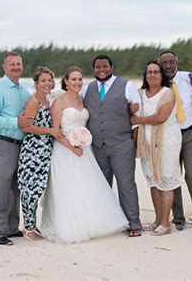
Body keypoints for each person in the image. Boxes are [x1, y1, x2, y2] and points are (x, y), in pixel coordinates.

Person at [40, 66, 129, 243]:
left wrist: (82, 141)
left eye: (80, 79)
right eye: (73, 79)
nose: (77, 82)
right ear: (65, 81)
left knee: (87, 186)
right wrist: (71, 146)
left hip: (84, 150)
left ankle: (92, 222)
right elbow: (55, 131)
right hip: (65, 150)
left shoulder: (83, 100)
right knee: (69, 188)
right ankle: (71, 226)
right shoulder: (59, 102)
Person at [81, 54, 143, 237]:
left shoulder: (127, 86)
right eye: (98, 67)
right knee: (101, 185)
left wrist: (132, 144)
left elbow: (136, 119)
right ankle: (105, 222)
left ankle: (133, 223)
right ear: (93, 69)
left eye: (105, 66)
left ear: (111, 67)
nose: (101, 70)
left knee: (126, 185)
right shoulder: (87, 89)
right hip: (98, 146)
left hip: (122, 144)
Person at [0, 52, 31, 246]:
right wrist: (16, 122)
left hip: (21, 145)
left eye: (18, 64)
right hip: (3, 143)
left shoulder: (23, 91)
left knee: (14, 187)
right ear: (4, 66)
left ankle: (12, 227)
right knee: (1, 188)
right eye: (12, 64)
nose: (16, 67)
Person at [130, 61, 182, 236]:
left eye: (156, 72)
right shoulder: (140, 94)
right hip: (147, 142)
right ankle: (158, 220)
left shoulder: (168, 93)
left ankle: (166, 223)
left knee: (166, 180)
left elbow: (161, 117)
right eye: (149, 72)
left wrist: (138, 120)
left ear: (162, 75)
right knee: (153, 180)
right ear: (145, 75)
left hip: (167, 141)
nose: (152, 75)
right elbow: (132, 114)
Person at [159, 50, 192, 230]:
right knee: (172, 176)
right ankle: (178, 217)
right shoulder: (157, 84)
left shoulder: (190, 78)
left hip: (190, 133)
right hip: (168, 135)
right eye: (164, 63)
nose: (168, 66)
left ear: (177, 62)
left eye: (171, 61)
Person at [17, 66, 61, 241]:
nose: (47, 83)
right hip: (32, 150)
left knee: (38, 187)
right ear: (36, 83)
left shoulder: (47, 101)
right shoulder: (34, 101)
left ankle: (32, 225)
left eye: (49, 80)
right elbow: (26, 127)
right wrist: (50, 131)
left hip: (44, 150)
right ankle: (28, 227)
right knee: (30, 189)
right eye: (43, 80)